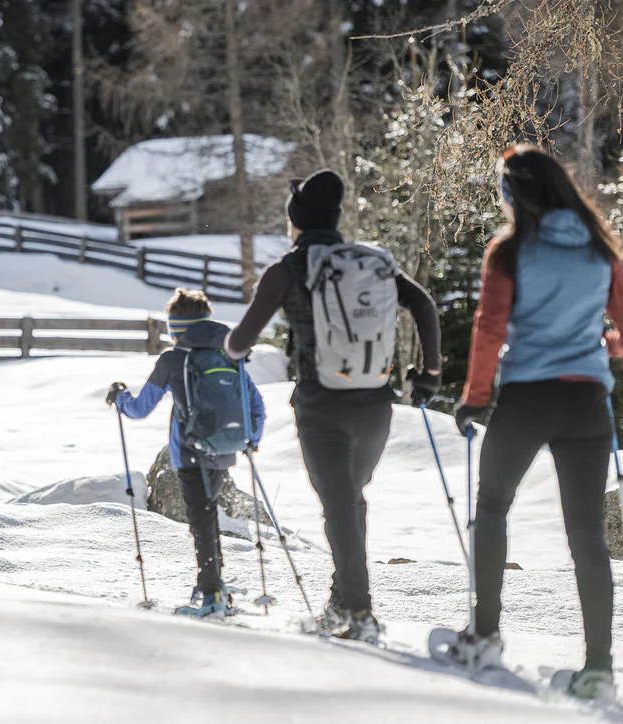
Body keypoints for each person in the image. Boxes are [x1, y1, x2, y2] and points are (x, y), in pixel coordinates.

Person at [223, 169, 442, 642]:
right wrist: (429, 374)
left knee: (340, 507)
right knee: (350, 502)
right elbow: (424, 306)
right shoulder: (368, 262)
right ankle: (342, 600)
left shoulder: (288, 269)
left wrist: (228, 350)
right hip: (375, 408)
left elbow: (241, 343)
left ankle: (359, 613)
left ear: (296, 219)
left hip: (322, 408)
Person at [451, 145, 621, 699]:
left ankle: (484, 634)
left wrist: (474, 398)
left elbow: (489, 327)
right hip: (587, 401)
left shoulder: (511, 249)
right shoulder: (601, 249)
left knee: (493, 506)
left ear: (515, 193)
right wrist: (604, 346)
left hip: (526, 398)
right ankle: (598, 667)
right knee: (588, 534)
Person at [107, 288, 266, 619]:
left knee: (202, 522)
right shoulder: (230, 354)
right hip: (226, 451)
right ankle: (211, 583)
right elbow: (256, 405)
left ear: (176, 326)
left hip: (190, 454)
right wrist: (252, 440)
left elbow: (139, 409)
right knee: (206, 519)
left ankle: (212, 596)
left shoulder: (172, 359)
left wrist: (120, 397)